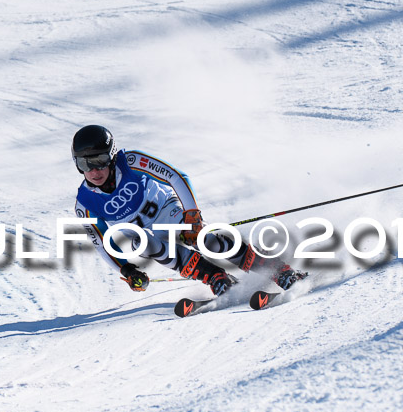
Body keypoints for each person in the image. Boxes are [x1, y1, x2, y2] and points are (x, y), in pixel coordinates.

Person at [72, 124, 306, 296]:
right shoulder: (85, 204)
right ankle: (213, 275)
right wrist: (126, 270)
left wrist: (192, 214)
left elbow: (175, 176)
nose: (94, 171)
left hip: (167, 211)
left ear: (112, 155)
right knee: (147, 244)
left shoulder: (131, 162)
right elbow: (102, 243)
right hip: (145, 238)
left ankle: (277, 269)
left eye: (99, 160)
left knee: (206, 240)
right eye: (85, 164)